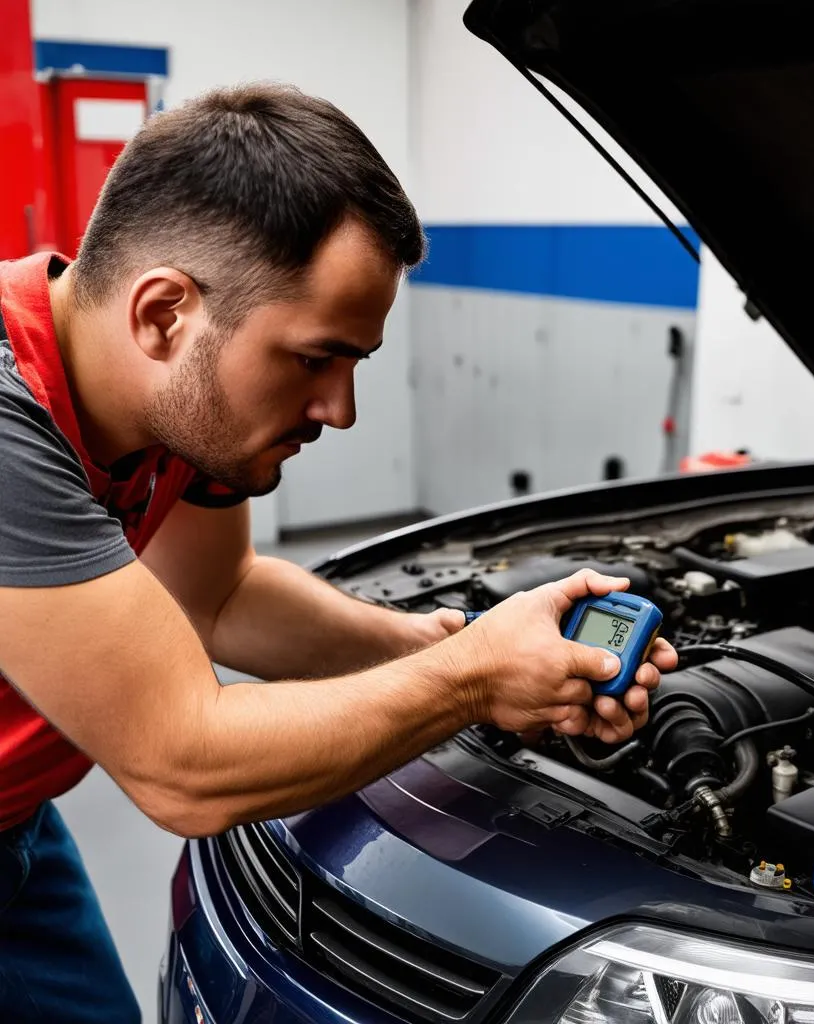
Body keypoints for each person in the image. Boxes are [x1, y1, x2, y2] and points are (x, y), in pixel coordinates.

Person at [0, 82, 678, 1021]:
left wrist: (447, 645)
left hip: (16, 825)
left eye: (354, 363)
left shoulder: (170, 405)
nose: (339, 409)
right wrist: (472, 682)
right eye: (314, 358)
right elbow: (181, 764)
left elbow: (223, 598)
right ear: (164, 315)